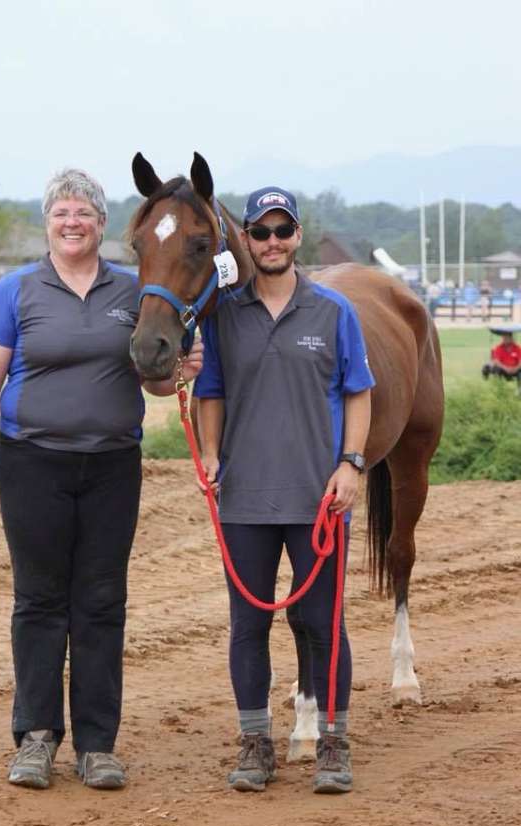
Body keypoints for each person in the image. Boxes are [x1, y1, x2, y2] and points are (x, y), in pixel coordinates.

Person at [0, 168, 202, 791]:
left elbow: (150, 380)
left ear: (102, 226)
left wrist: (179, 369)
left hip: (112, 466)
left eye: (84, 213)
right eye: (62, 212)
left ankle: (97, 745)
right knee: (39, 600)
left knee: (100, 602)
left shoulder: (131, 289)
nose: (73, 222)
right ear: (48, 223)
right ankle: (36, 737)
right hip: (32, 462)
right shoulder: (16, 292)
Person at [193, 187, 374, 794]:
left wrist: (351, 464)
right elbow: (209, 391)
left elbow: (358, 392)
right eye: (261, 232)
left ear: (298, 237)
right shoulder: (224, 315)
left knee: (323, 622)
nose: (272, 242)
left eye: (283, 231)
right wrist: (212, 455)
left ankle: (333, 743)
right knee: (248, 625)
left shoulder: (333, 311)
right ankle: (254, 745)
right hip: (243, 497)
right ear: (246, 238)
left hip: (318, 497)